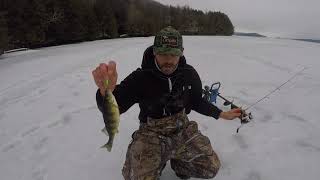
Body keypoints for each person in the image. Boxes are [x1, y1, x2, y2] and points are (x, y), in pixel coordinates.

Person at [92, 26, 242, 180]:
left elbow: (196, 100)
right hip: (151, 132)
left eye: (174, 54)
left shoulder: (188, 73)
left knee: (210, 167)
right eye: (163, 54)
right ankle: (159, 160)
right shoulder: (140, 77)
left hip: (181, 127)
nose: (169, 60)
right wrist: (105, 93)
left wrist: (221, 113)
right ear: (155, 51)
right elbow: (117, 106)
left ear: (181, 52)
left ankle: (179, 163)